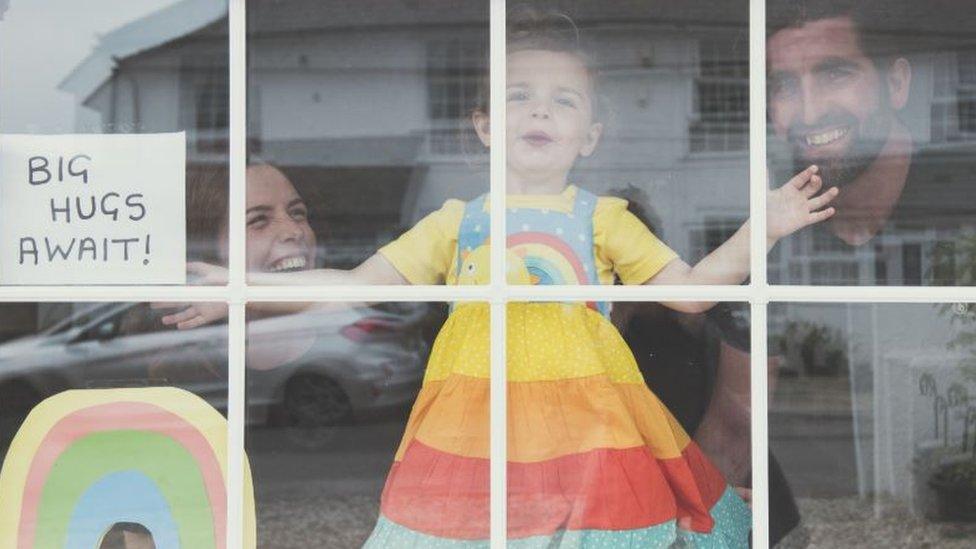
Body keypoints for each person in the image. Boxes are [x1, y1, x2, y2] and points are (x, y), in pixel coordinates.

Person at [176, 10, 837, 547]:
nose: (540, 112)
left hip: (587, 436)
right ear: (486, 126)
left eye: (563, 100)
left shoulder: (603, 218)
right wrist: (238, 288)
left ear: (590, 135)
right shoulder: (455, 222)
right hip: (473, 431)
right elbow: (354, 282)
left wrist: (764, 228)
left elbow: (691, 290)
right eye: (519, 96)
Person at [766, 0, 976, 285]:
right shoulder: (763, 213)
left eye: (835, 75)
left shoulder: (963, 203)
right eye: (785, 87)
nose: (810, 113)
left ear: (896, 83)